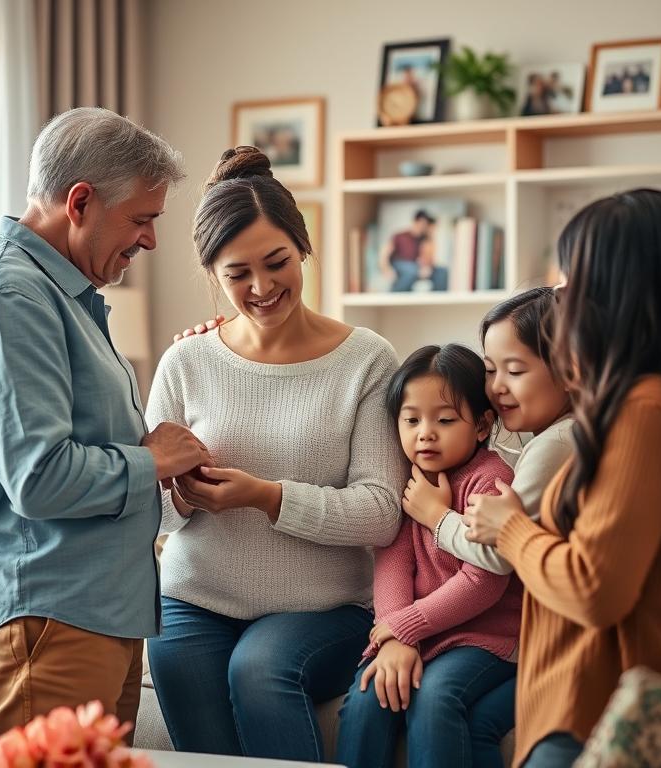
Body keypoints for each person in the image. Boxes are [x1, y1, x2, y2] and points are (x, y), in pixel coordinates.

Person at [463, 188, 661, 766]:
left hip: (596, 709)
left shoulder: (646, 412)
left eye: (571, 279)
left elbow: (593, 590)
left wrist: (510, 528)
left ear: (618, 293)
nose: (562, 296)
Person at [0, 107, 211, 753]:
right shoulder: (10, 299)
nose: (150, 241)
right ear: (80, 201)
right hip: (49, 616)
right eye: (141, 218)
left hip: (92, 612)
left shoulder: (63, 296)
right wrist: (154, 461)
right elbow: (41, 478)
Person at [144, 146, 406, 762]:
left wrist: (267, 497)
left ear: (304, 248)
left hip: (323, 610)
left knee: (258, 669)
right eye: (238, 274)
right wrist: (179, 495)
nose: (261, 288)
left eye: (277, 262)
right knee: (196, 717)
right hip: (194, 599)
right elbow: (149, 513)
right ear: (214, 275)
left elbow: (380, 512)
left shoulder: (366, 360)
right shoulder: (186, 361)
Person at [401, 288, 574, 758]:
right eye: (491, 370)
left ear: (571, 370)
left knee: (443, 700)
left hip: (545, 643)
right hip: (537, 638)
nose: (496, 387)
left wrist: (437, 516)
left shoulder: (556, 446)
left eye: (514, 371)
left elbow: (498, 549)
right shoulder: (546, 439)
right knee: (475, 726)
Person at [335, 344, 520, 768]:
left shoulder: (490, 481)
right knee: (368, 696)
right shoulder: (408, 479)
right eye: (412, 420)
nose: (425, 433)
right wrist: (396, 636)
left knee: (437, 696)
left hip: (488, 638)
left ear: (481, 425)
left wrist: (403, 627)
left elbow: (483, 580)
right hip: (421, 632)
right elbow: (393, 563)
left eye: (445, 419)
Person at [380, 210, 448, 292]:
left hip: (416, 265)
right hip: (399, 263)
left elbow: (428, 259)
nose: (422, 226)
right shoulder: (400, 236)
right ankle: (396, 295)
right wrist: (385, 268)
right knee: (411, 270)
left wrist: (426, 267)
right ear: (415, 222)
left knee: (442, 272)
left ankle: (436, 299)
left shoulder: (425, 239)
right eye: (421, 223)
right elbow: (385, 252)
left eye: (425, 224)